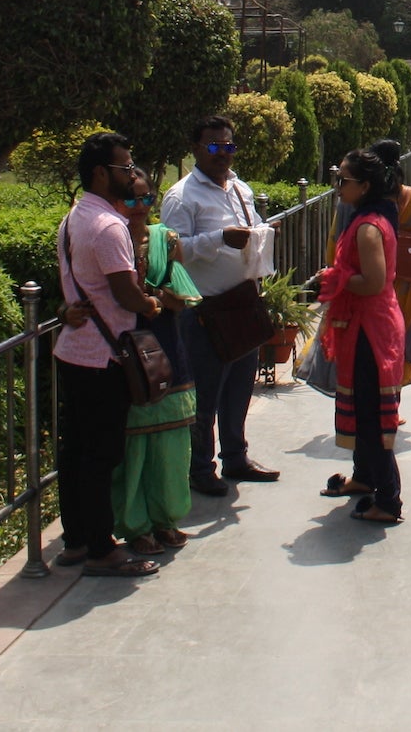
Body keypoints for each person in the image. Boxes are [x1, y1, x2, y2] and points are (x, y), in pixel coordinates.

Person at [53, 130, 162, 577]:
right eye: (125, 168)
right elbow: (125, 293)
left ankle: (76, 539)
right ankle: (102, 548)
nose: (133, 174)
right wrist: (151, 303)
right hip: (104, 358)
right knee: (101, 454)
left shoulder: (73, 217)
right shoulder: (109, 224)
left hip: (74, 353)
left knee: (75, 449)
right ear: (101, 174)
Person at [162, 115, 279, 496]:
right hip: (204, 310)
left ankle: (236, 456)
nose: (222, 154)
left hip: (241, 304)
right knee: (205, 395)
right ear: (196, 149)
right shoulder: (182, 196)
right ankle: (200, 467)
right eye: (214, 146)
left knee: (238, 389)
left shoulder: (239, 188)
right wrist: (218, 239)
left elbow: (256, 226)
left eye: (228, 146)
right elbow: (171, 251)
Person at [315, 148, 407, 523]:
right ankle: (365, 478)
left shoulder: (369, 227)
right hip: (362, 324)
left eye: (344, 181)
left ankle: (388, 500)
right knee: (360, 406)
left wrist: (335, 278)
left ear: (364, 186)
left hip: (372, 328)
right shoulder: (362, 218)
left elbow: (373, 282)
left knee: (372, 417)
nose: (338, 187)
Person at [111, 168, 199, 557]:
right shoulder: (110, 240)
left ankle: (166, 519)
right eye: (131, 200)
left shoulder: (167, 239)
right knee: (134, 445)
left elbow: (183, 297)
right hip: (125, 349)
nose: (140, 208)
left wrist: (157, 297)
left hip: (165, 345)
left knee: (171, 440)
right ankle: (134, 525)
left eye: (147, 199)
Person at [371, 138, 411, 390]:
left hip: (371, 280)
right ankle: (393, 399)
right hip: (404, 284)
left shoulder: (365, 198)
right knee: (400, 337)